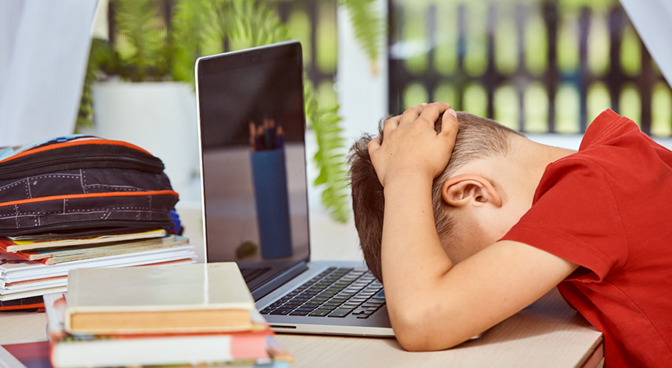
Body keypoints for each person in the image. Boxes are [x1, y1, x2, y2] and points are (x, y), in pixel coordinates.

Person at [348, 102, 672, 367]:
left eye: (461, 270)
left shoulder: (593, 189)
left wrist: (407, 171)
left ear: (473, 193)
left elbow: (422, 319)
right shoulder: (620, 157)